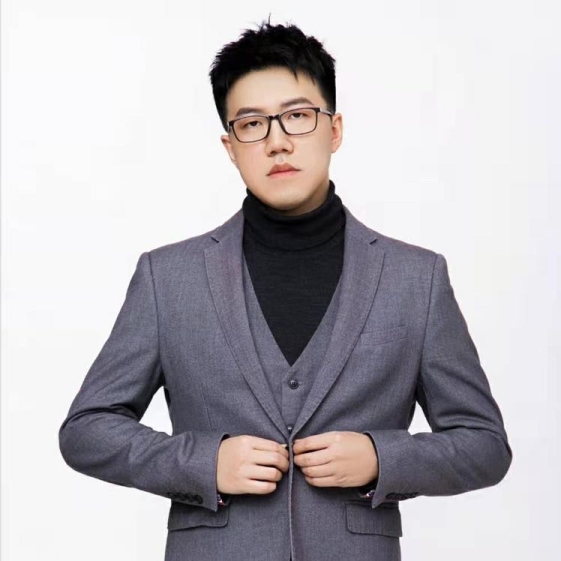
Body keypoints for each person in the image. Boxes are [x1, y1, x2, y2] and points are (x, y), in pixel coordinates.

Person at [59, 20, 512, 561]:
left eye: (297, 116)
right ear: (230, 147)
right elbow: (86, 430)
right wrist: (204, 463)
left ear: (334, 129)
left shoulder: (415, 278)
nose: (277, 142)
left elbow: (485, 444)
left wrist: (381, 458)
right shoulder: (168, 277)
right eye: (252, 124)